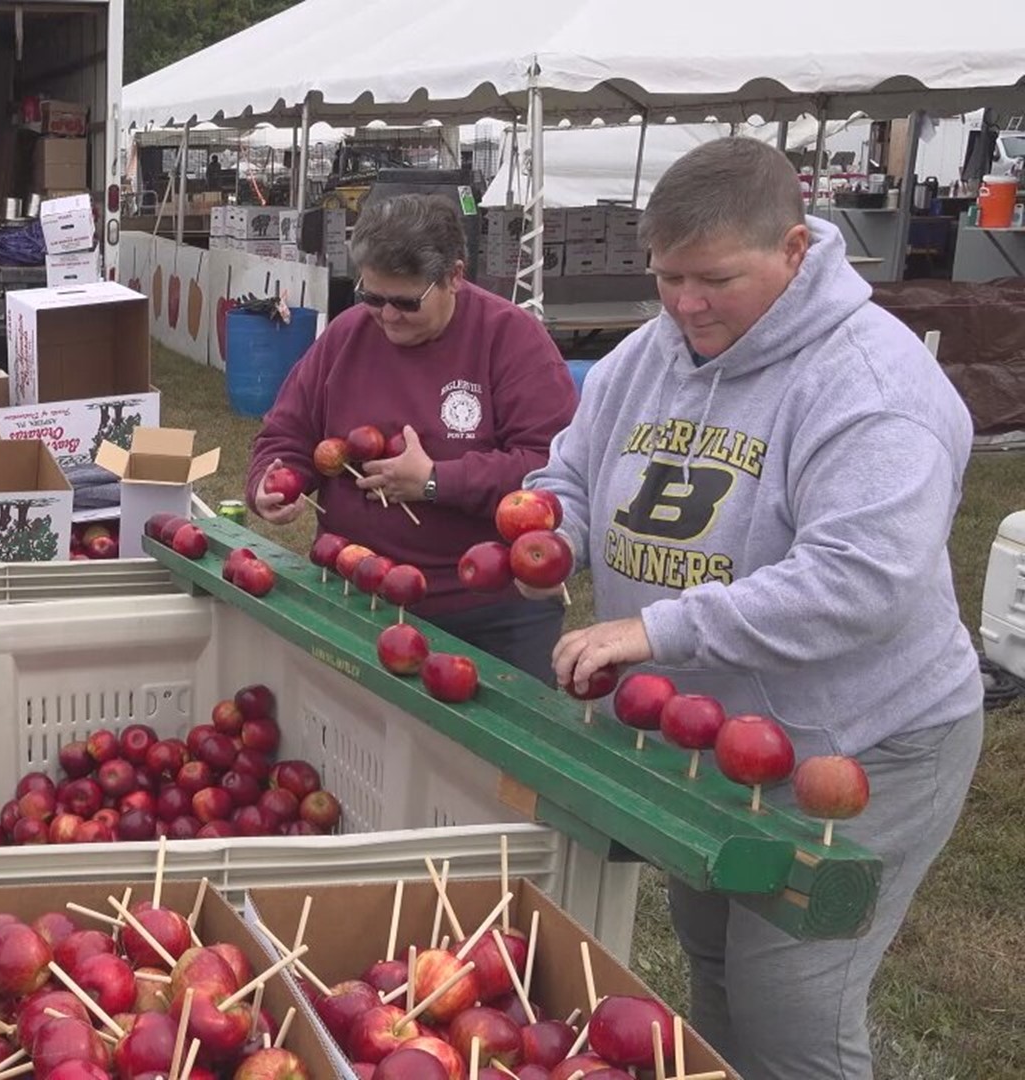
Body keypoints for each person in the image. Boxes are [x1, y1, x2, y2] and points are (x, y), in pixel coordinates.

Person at [527, 138, 983, 1080]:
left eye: (715, 280)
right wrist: (559, 532)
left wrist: (658, 628)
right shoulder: (659, 346)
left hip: (863, 741)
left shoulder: (872, 387)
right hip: (715, 735)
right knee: (714, 966)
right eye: (668, 277)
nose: (687, 304)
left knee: (792, 1009)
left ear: (792, 249)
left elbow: (860, 578)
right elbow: (573, 463)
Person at [247, 193, 579, 681]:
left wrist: (436, 481)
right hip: (358, 594)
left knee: (482, 756)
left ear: (455, 276)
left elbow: (550, 469)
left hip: (485, 612)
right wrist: (271, 481)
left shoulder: (511, 339)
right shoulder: (347, 335)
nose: (387, 315)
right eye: (372, 297)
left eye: (405, 302)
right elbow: (288, 432)